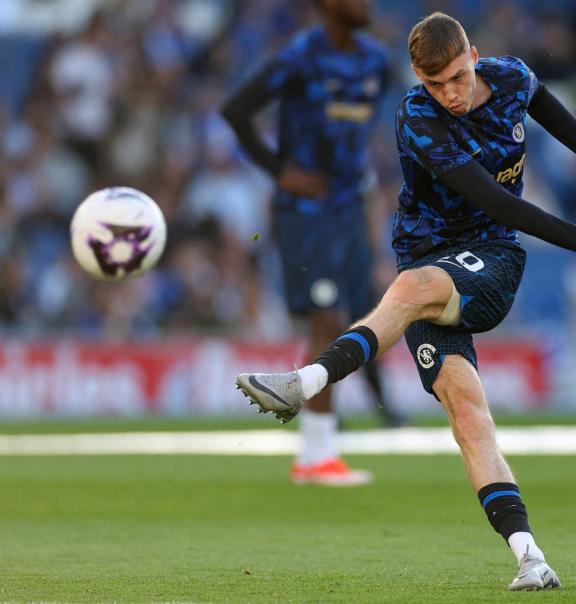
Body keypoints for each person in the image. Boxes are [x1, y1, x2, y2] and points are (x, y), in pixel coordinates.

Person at [236, 11, 576, 591]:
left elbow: (548, 113)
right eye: (434, 84)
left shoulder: (513, 77)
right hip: (430, 262)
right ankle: (531, 557)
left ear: (473, 55)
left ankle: (306, 383)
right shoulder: (417, 118)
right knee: (467, 415)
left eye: (454, 78)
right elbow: (497, 199)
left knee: (412, 288)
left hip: (491, 260)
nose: (448, 94)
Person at [221, 0, 402, 487]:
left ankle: (326, 444)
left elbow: (364, 132)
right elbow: (235, 110)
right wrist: (282, 172)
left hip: (348, 207)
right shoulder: (301, 55)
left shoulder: (377, 60)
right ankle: (317, 454)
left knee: (358, 315)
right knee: (326, 316)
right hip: (304, 212)